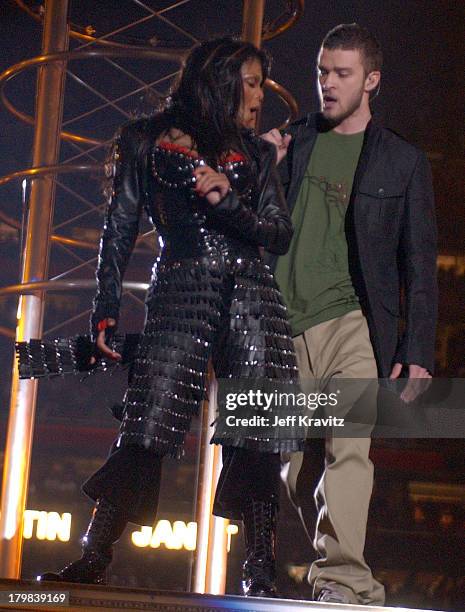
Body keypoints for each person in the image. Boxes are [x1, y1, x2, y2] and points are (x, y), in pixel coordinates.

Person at [34, 36, 303, 597]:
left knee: (256, 430)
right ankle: (93, 556)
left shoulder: (254, 154)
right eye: (249, 84)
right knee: (149, 418)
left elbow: (278, 234)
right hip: (182, 288)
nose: (258, 98)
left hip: (253, 294)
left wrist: (227, 202)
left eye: (259, 84)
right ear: (220, 80)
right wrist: (104, 309)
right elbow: (119, 227)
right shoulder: (146, 140)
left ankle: (258, 567)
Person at [263, 23, 437, 605]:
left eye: (341, 73)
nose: (328, 84)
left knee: (349, 447)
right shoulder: (291, 141)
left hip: (354, 324)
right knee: (293, 466)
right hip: (283, 326)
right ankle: (346, 575)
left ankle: (341, 580)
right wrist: (262, 164)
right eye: (321, 72)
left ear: (372, 81)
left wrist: (416, 353)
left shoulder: (402, 162)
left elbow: (419, 262)